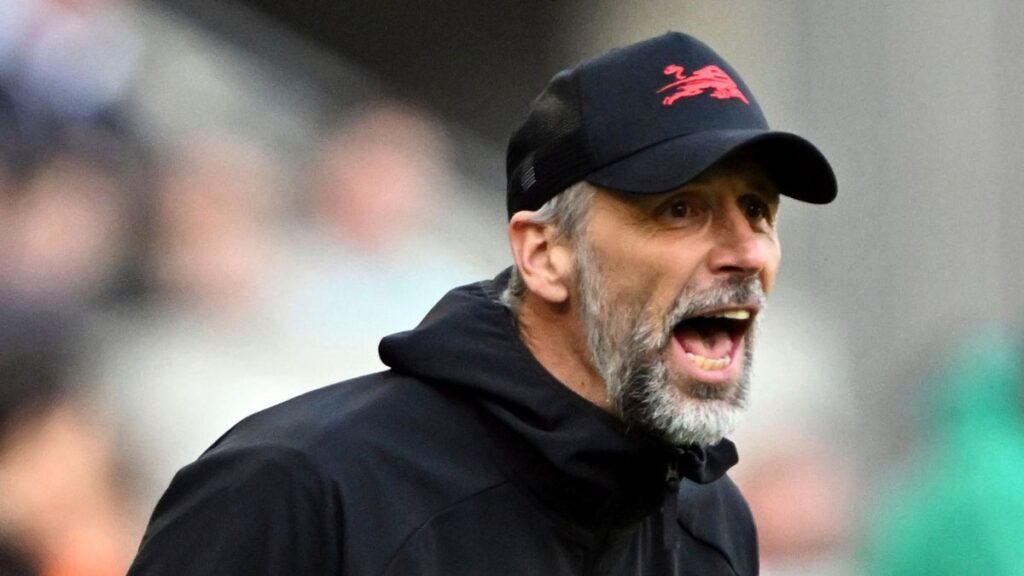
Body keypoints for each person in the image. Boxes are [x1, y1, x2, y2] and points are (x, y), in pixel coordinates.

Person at [127, 32, 836, 575]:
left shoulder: (710, 522)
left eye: (757, 209)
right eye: (681, 209)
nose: (745, 250)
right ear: (544, 255)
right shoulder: (298, 487)